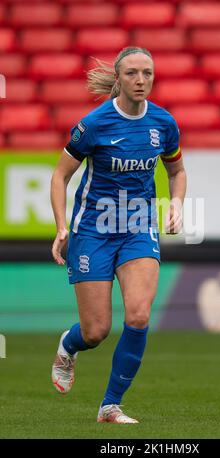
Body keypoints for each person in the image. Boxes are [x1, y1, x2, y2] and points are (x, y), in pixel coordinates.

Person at [50, 46, 187, 424]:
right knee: (96, 331)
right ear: (118, 77)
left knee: (139, 316)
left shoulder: (164, 123)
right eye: (132, 73)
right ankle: (68, 346)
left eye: (147, 73)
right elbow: (60, 176)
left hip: (138, 228)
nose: (140, 80)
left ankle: (110, 406)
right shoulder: (94, 124)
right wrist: (62, 225)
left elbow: (176, 171)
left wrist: (176, 203)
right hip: (93, 229)